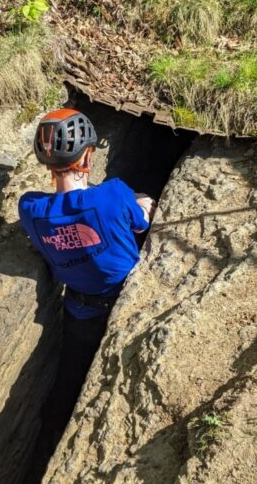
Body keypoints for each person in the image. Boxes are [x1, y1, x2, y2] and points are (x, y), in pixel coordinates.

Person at [18, 108, 156, 437]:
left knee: (72, 375)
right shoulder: (114, 193)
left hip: (78, 311)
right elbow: (142, 219)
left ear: (47, 164)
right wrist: (142, 203)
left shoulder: (30, 209)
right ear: (87, 157)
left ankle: (52, 433)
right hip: (124, 303)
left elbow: (56, 204)